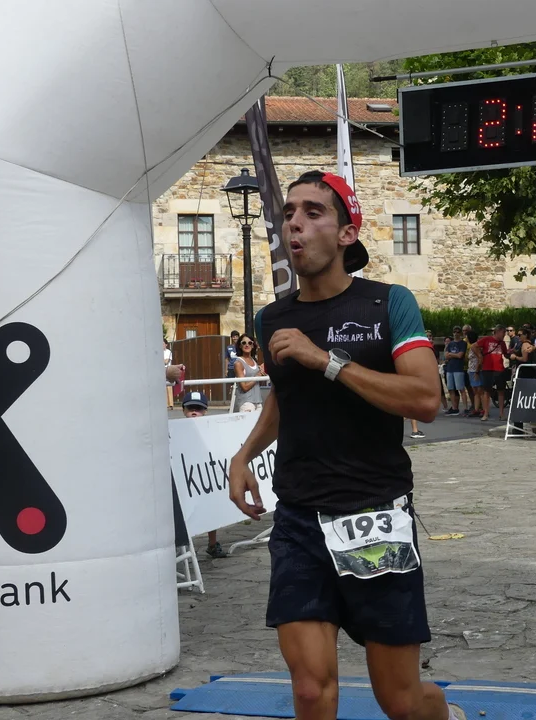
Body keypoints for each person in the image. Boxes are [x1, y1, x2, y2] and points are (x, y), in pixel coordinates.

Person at [227, 170, 464, 720]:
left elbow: (425, 398)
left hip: (374, 515)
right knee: (311, 691)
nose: (295, 223)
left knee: (401, 702)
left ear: (346, 234)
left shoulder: (388, 304)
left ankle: (445, 714)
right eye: (289, 212)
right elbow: (285, 397)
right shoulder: (272, 317)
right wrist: (244, 454)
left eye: (313, 212)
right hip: (299, 518)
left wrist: (327, 361)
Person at [181, 391, 229, 558]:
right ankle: (183, 546)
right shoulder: (177, 430)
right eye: (190, 408)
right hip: (186, 475)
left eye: (198, 408)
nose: (194, 412)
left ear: (205, 411)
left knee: (210, 506)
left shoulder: (211, 428)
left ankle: (212, 543)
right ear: (183, 410)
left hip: (205, 473)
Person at [476, 325, 508, 421]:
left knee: (501, 391)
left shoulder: (502, 343)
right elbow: (474, 346)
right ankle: (486, 413)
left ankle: (501, 413)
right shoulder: (486, 339)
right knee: (487, 391)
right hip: (487, 368)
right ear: (498, 332)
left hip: (499, 369)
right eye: (503, 333)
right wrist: (479, 356)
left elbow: (505, 353)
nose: (504, 335)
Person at [233, 333, 267, 412]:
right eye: (244, 343)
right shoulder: (238, 363)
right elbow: (244, 387)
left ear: (253, 346)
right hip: (246, 402)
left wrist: (262, 373)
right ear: (240, 346)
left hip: (258, 401)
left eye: (250, 343)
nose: (247, 345)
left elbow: (258, 383)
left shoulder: (254, 361)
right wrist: (257, 376)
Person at [444, 328, 468, 416]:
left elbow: (460, 355)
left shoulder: (463, 343)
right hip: (450, 368)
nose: (456, 333)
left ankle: (465, 408)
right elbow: (446, 356)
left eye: (458, 332)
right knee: (450, 388)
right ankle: (454, 408)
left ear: (460, 333)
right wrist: (452, 355)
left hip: (458, 368)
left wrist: (451, 354)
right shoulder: (450, 344)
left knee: (461, 388)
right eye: (454, 332)